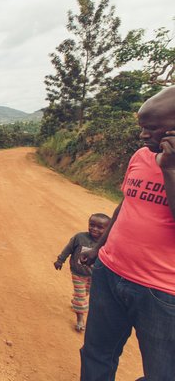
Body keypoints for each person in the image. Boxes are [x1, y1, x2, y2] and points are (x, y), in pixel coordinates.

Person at [79, 86, 175, 381]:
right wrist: (98, 248)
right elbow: (126, 204)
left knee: (162, 374)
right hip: (110, 272)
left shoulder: (165, 161)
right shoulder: (140, 156)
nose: (143, 135)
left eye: (152, 128)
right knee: (96, 354)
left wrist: (169, 170)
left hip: (160, 291)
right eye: (142, 128)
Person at [53, 213, 110, 332]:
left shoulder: (108, 243)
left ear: (108, 229)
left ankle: (76, 303)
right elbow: (68, 249)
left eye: (100, 227)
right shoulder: (80, 237)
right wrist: (60, 260)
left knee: (85, 294)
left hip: (94, 276)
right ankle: (80, 319)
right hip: (78, 273)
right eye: (92, 225)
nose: (94, 229)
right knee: (81, 295)